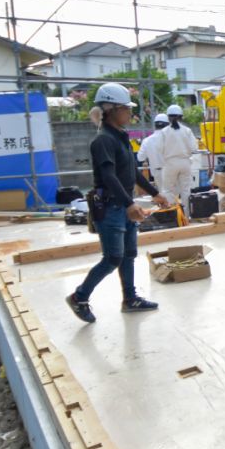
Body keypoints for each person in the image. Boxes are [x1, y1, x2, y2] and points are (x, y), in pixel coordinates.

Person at [66, 83, 168, 323]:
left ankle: (130, 298)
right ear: (111, 109)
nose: (130, 114)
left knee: (129, 254)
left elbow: (132, 171)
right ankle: (79, 297)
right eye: (125, 109)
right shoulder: (103, 140)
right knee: (112, 258)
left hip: (122, 206)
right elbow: (109, 177)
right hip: (111, 207)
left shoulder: (121, 136)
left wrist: (155, 193)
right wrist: (129, 204)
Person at [158, 103, 198, 208]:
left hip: (170, 163)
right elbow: (194, 148)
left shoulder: (164, 132)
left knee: (168, 190)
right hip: (185, 162)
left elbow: (159, 149)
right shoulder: (187, 131)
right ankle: (186, 216)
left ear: (168, 118)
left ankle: (173, 215)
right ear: (181, 117)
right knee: (186, 190)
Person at [138, 113, 168, 183]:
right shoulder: (172, 139)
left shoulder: (147, 141)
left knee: (162, 193)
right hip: (172, 172)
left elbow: (140, 158)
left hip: (157, 173)